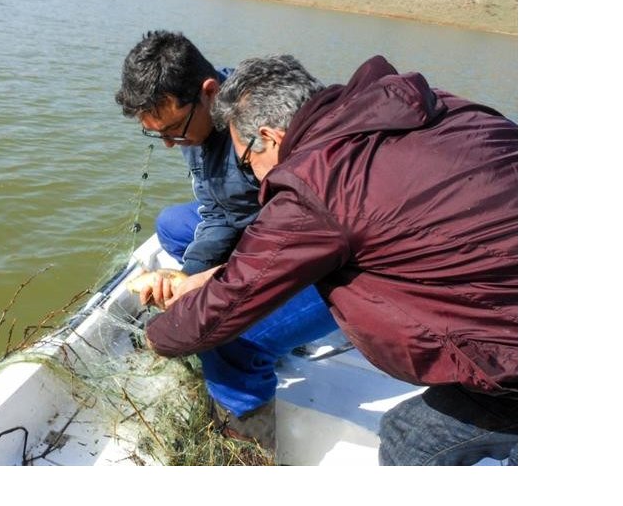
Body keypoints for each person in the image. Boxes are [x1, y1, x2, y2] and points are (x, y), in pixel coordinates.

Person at [144, 53, 518, 465]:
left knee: (406, 441)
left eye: (249, 162)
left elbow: (227, 304)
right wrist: (204, 278)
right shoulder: (434, 105)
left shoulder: (316, 183)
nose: (256, 179)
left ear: (269, 137)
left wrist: (154, 335)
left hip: (512, 355)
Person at [114, 31, 339, 450]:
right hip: (273, 235)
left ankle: (245, 455)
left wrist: (212, 298)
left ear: (209, 93)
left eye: (173, 131)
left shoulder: (268, 127)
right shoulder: (196, 128)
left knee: (228, 338)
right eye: (157, 135)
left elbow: (291, 245)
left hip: (327, 257)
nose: (168, 145)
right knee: (172, 226)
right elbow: (219, 213)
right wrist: (190, 277)